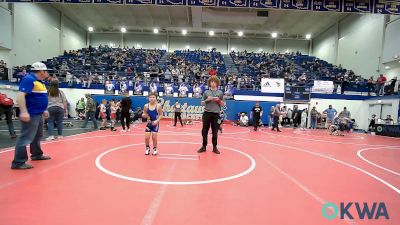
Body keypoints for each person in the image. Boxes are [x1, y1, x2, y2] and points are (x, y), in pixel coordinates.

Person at [11, 62, 51, 170]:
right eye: (46, 71)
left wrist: (44, 109)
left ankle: (37, 154)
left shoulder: (39, 82)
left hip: (38, 113)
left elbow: (38, 97)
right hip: (31, 113)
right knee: (25, 137)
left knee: (37, 136)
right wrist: (24, 112)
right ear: (41, 71)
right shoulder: (29, 80)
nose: (47, 73)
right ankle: (18, 162)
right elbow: (20, 95)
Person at [197, 76, 225, 154]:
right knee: (204, 131)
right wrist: (207, 100)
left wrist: (219, 100)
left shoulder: (220, 93)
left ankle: (214, 147)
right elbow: (201, 103)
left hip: (216, 114)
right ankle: (204, 146)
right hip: (207, 113)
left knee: (215, 131)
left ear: (217, 83)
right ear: (209, 83)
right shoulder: (206, 92)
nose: (213, 83)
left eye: (214, 81)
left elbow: (223, 104)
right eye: (211, 82)